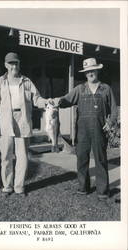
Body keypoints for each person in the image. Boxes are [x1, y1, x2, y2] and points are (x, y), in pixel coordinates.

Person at [53, 58, 117, 201]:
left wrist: (111, 122)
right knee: (82, 159)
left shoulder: (106, 88)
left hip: (100, 130)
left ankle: (103, 191)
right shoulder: (79, 89)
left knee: (101, 160)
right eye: (88, 71)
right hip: (82, 131)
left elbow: (113, 110)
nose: (90, 73)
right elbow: (66, 100)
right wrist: (57, 101)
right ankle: (83, 187)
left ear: (97, 70)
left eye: (92, 70)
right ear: (85, 74)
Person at [0, 52, 48, 197]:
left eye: (16, 63)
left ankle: (19, 187)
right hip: (5, 121)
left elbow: (37, 98)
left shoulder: (27, 81)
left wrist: (46, 102)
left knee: (22, 156)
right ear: (6, 65)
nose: (14, 66)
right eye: (11, 63)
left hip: (23, 120)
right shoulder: (0, 82)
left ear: (19, 65)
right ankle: (7, 186)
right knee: (6, 156)